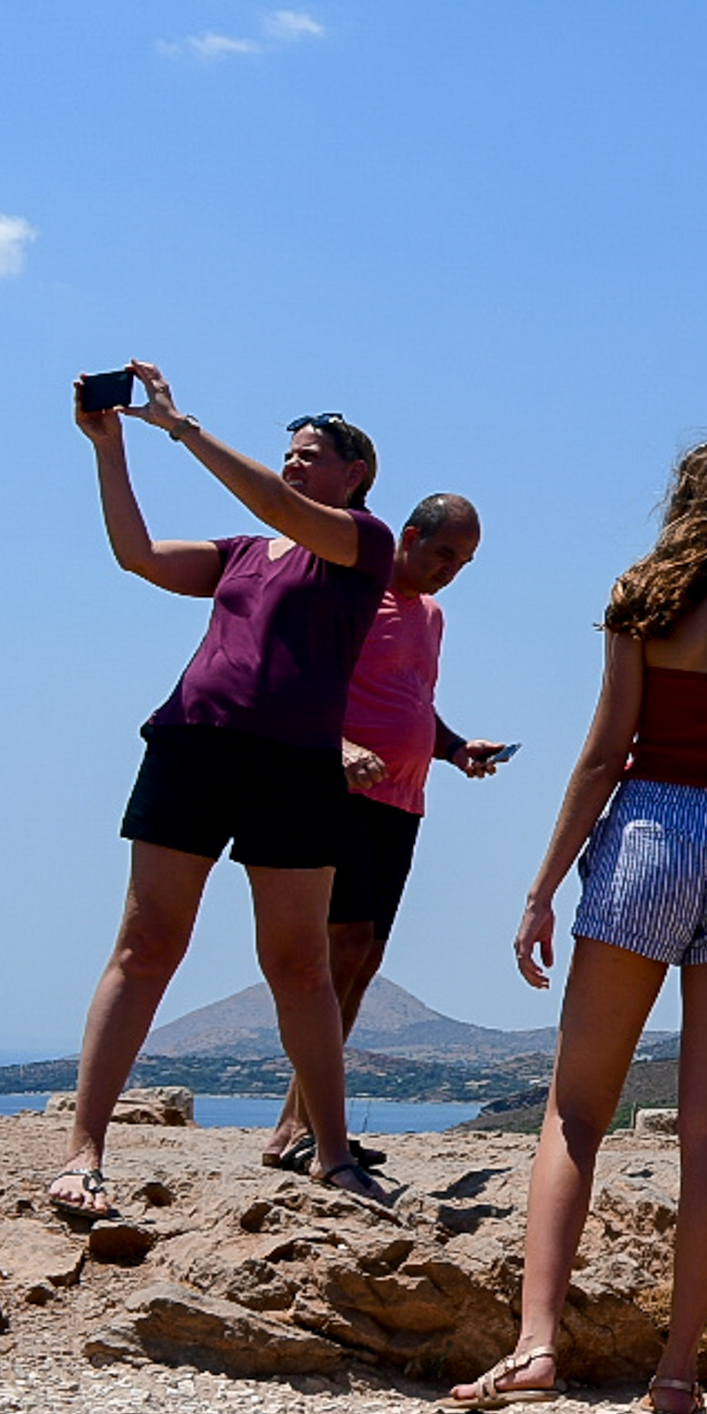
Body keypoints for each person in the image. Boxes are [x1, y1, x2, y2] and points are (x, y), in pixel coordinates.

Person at [446, 440, 707, 1414]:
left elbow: (604, 749)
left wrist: (539, 888)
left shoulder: (641, 595)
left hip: (651, 830)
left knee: (578, 1108)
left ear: (684, 505)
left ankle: (536, 1345)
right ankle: (678, 1370)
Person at [55, 366, 400, 1223]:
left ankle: (329, 1156)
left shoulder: (364, 540)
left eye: (310, 454)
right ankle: (84, 1152)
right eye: (287, 452)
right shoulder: (244, 556)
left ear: (354, 472)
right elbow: (137, 556)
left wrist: (184, 428)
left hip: (294, 765)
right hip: (194, 746)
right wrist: (111, 450)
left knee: (299, 965)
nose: (292, 464)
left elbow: (285, 515)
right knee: (145, 945)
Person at [259, 493, 512, 1176]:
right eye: (444, 553)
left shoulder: (432, 616)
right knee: (337, 951)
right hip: (339, 792)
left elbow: (413, 703)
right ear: (409, 536)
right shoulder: (355, 595)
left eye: (464, 560)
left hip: (402, 802)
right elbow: (298, 681)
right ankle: (295, 1124)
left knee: (362, 958)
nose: (452, 569)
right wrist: (338, 745)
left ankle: (308, 1115)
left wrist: (457, 749)